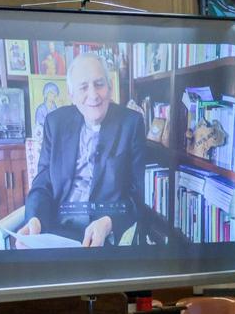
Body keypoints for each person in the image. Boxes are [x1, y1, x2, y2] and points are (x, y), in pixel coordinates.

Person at [19, 53, 145, 246]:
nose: (93, 95)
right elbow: (43, 183)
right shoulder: (55, 123)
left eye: (99, 84)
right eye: (83, 87)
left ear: (110, 87)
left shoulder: (131, 124)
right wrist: (35, 219)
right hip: (55, 230)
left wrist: (109, 222)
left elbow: (136, 195)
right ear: (71, 94)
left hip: (103, 235)